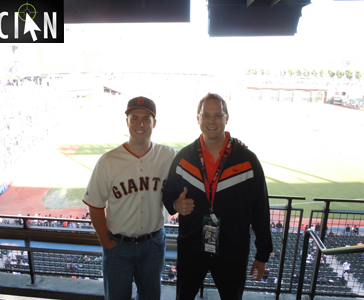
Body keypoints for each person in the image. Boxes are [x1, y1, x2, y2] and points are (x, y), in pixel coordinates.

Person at [162, 93, 273, 300]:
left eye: (217, 115)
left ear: (227, 117)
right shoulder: (184, 158)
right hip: (192, 248)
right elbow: (168, 198)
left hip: (233, 251)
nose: (211, 121)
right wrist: (176, 203)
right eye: (206, 115)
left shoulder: (248, 161)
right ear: (198, 118)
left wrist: (262, 253)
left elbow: (260, 210)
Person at [82, 96, 177, 300]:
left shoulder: (168, 156)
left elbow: (196, 158)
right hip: (118, 246)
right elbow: (95, 205)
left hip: (154, 244)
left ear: (154, 123)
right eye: (134, 118)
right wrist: (105, 241)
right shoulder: (108, 161)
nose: (140, 124)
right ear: (127, 121)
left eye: (146, 119)